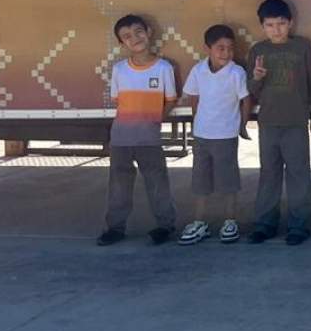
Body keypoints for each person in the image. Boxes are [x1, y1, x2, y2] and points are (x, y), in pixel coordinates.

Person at [247, 0, 311, 246]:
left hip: (295, 122)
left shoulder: (302, 48)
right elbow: (250, 91)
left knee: (298, 174)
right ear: (262, 26)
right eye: (270, 25)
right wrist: (257, 78)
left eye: (281, 23)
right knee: (268, 174)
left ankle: (298, 225)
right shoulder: (258, 51)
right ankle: (265, 224)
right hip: (269, 123)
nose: (276, 29)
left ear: (290, 23)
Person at [97, 14, 178, 246]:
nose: (135, 38)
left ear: (149, 32)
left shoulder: (164, 68)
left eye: (138, 31)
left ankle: (165, 226)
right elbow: (117, 100)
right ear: (122, 44)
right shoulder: (119, 70)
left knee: (157, 182)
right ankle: (115, 228)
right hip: (121, 138)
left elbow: (170, 100)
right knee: (119, 185)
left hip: (149, 138)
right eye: (127, 36)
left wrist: (154, 120)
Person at [178, 24, 251, 245]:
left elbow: (245, 99)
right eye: (220, 48)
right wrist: (197, 122)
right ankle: (199, 222)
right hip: (202, 135)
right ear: (207, 48)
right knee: (201, 180)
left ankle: (230, 221)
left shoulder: (236, 72)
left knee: (228, 180)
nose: (226, 53)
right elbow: (194, 98)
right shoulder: (198, 71)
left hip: (226, 135)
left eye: (230, 48)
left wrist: (242, 124)